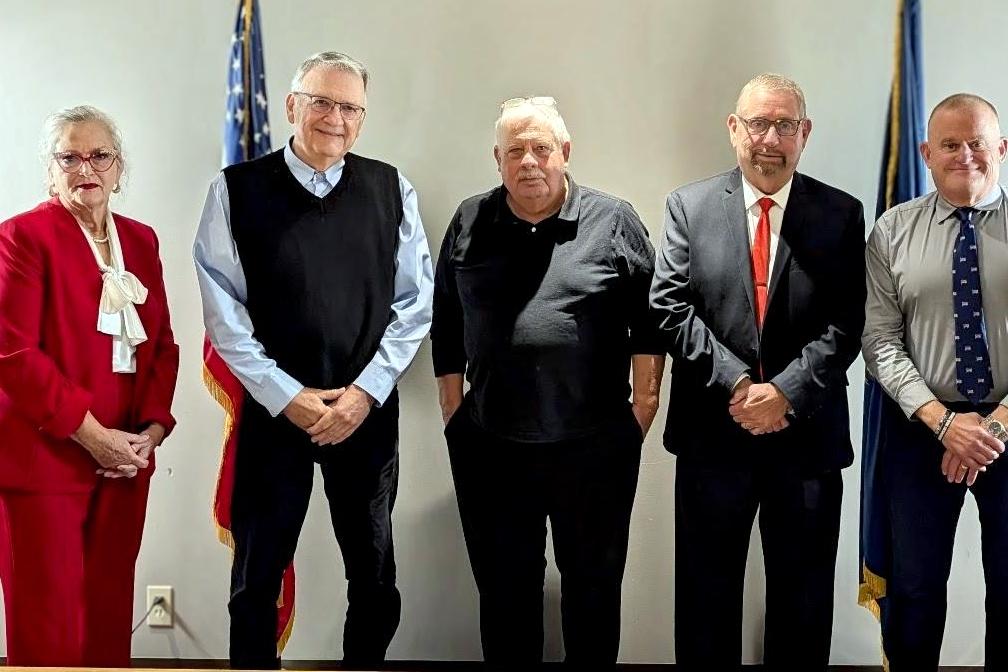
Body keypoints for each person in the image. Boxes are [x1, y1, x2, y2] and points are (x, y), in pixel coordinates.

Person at [193, 51, 433, 669]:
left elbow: (415, 302)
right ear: (292, 106)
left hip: (364, 414)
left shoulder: (391, 189)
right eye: (321, 102)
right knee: (255, 578)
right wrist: (285, 395)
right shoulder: (236, 189)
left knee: (373, 574)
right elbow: (222, 309)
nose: (335, 118)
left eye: (350, 107)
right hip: (275, 415)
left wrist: (364, 393)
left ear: (363, 118)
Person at [431, 96, 665, 665]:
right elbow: (446, 323)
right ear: (497, 159)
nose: (529, 161)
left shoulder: (613, 220)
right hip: (491, 447)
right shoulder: (469, 220)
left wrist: (642, 408)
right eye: (515, 151)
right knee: (504, 595)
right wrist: (455, 416)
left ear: (565, 151)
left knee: (594, 591)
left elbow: (651, 323)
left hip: (594, 444)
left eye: (541, 148)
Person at [649, 74, 866, 670]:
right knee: (705, 601)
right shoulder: (688, 207)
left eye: (784, 125)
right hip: (712, 438)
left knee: (803, 604)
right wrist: (741, 385)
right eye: (757, 124)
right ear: (733, 128)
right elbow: (668, 307)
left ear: (805, 133)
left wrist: (786, 393)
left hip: (807, 440)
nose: (770, 139)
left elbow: (850, 320)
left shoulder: (841, 213)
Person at [0, 105, 179, 667]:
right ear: (50, 170)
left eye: (99, 156)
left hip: (126, 458)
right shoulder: (21, 236)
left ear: (118, 168)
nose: (86, 168)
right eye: (70, 157)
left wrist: (149, 433)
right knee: (48, 623)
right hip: (46, 457)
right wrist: (93, 435)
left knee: (107, 611)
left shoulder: (142, 241)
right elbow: (13, 354)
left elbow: (162, 346)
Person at [862, 93, 1008, 671]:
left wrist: (994, 426)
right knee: (914, 592)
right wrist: (944, 423)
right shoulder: (892, 230)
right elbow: (879, 340)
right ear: (926, 153)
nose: (964, 155)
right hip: (921, 429)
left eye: (977, 143)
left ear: (1001, 148)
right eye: (950, 144)